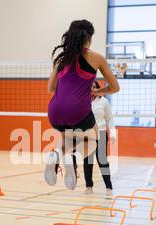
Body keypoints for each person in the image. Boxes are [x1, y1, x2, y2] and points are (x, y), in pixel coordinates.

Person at [45, 19, 119, 190]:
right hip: (78, 109)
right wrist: (96, 92)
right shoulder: (96, 58)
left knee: (68, 140)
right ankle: (74, 158)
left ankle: (56, 154)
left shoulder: (61, 59)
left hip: (55, 110)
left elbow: (51, 88)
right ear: (90, 38)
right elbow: (115, 87)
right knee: (92, 140)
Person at [83, 81, 116, 196]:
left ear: (98, 89)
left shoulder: (104, 101)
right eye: (90, 87)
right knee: (87, 161)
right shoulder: (82, 101)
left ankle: (108, 187)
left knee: (103, 161)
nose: (92, 89)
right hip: (87, 135)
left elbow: (110, 118)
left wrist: (112, 134)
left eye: (94, 87)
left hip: (101, 134)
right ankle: (88, 187)